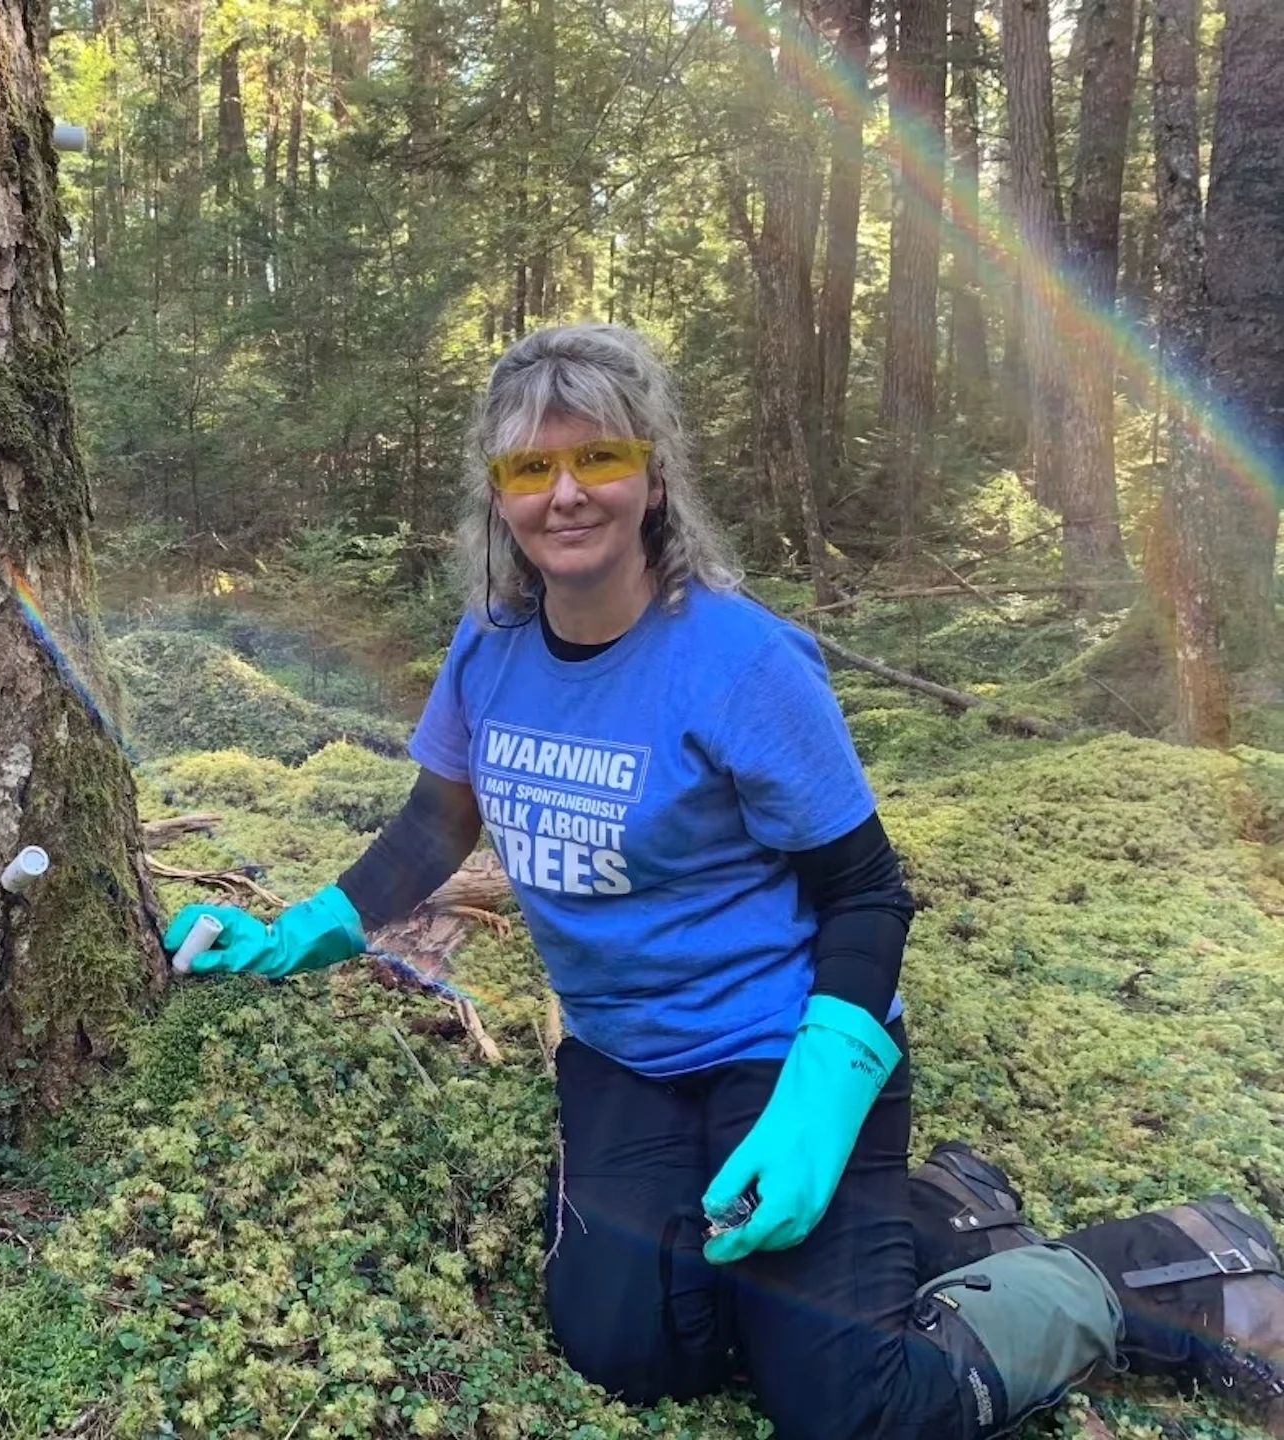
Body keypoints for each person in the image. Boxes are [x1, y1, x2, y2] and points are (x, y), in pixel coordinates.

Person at [163, 323, 1284, 1439]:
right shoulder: (490, 647)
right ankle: (937, 1213)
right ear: (498, 494)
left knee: (848, 1408)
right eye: (530, 467)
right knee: (631, 1351)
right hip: (622, 1054)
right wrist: (294, 933)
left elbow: (866, 891)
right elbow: (430, 828)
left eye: (597, 457)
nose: (566, 493)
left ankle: (1135, 1275)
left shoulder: (741, 662)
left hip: (784, 1045)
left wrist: (820, 1097)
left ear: (652, 474)